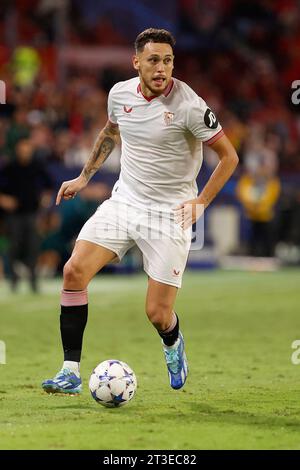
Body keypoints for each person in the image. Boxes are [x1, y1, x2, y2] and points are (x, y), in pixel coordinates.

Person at [42, 28, 238, 395]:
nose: (162, 68)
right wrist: (84, 177)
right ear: (137, 63)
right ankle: (69, 371)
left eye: (167, 60)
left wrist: (201, 203)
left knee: (158, 314)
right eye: (153, 60)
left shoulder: (190, 106)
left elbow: (229, 156)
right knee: (73, 271)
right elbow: (109, 133)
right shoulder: (119, 95)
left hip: (170, 214)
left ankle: (172, 343)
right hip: (125, 202)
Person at [0, 138, 53, 291]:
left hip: (32, 213)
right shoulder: (9, 167)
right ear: (17, 150)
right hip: (14, 215)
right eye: (22, 149)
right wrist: (4, 200)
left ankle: (33, 281)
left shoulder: (37, 166)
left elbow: (49, 185)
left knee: (33, 248)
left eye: (27, 149)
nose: (25, 152)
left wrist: (46, 198)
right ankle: (13, 279)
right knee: (14, 247)